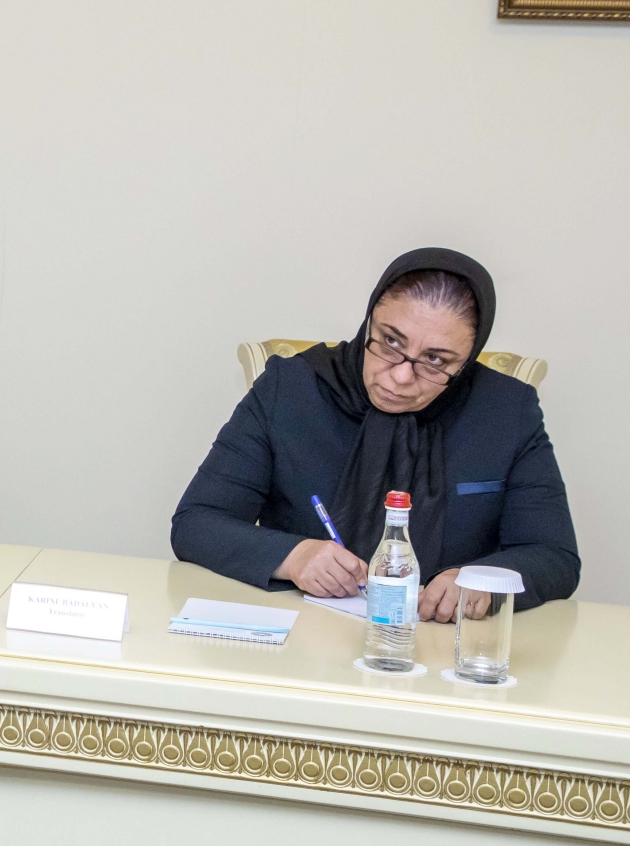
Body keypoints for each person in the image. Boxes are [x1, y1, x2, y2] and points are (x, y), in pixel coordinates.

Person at [171, 248, 578, 617]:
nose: (400, 376)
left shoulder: (507, 410)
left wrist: (479, 583)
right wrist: (293, 556)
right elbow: (196, 522)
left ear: (466, 362)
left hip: (444, 644)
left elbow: (555, 556)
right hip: (303, 634)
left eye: (435, 361)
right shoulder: (291, 388)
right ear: (369, 321)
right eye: (390, 342)